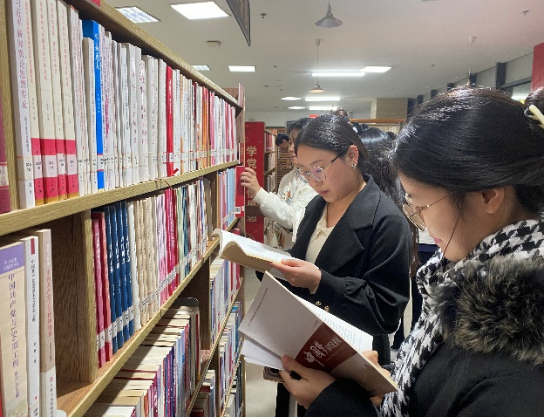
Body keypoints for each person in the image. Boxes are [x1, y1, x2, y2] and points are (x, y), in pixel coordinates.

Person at [278, 87, 544, 417]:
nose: (416, 217)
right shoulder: (462, 278)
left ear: (488, 196)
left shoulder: (519, 346)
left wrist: (335, 404)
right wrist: (387, 383)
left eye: (421, 203)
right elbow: (437, 382)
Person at [270, 115, 412, 416]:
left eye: (319, 168)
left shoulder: (386, 220)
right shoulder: (316, 206)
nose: (313, 180)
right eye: (304, 171)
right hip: (309, 348)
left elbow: (386, 311)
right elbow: (306, 258)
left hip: (352, 363)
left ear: (352, 155)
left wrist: (320, 282)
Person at [240, 119, 316, 250]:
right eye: (291, 143)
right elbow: (282, 205)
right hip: (283, 247)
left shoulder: (316, 181)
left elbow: (292, 218)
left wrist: (259, 193)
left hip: (299, 251)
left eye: (297, 143)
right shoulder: (288, 178)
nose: (291, 148)